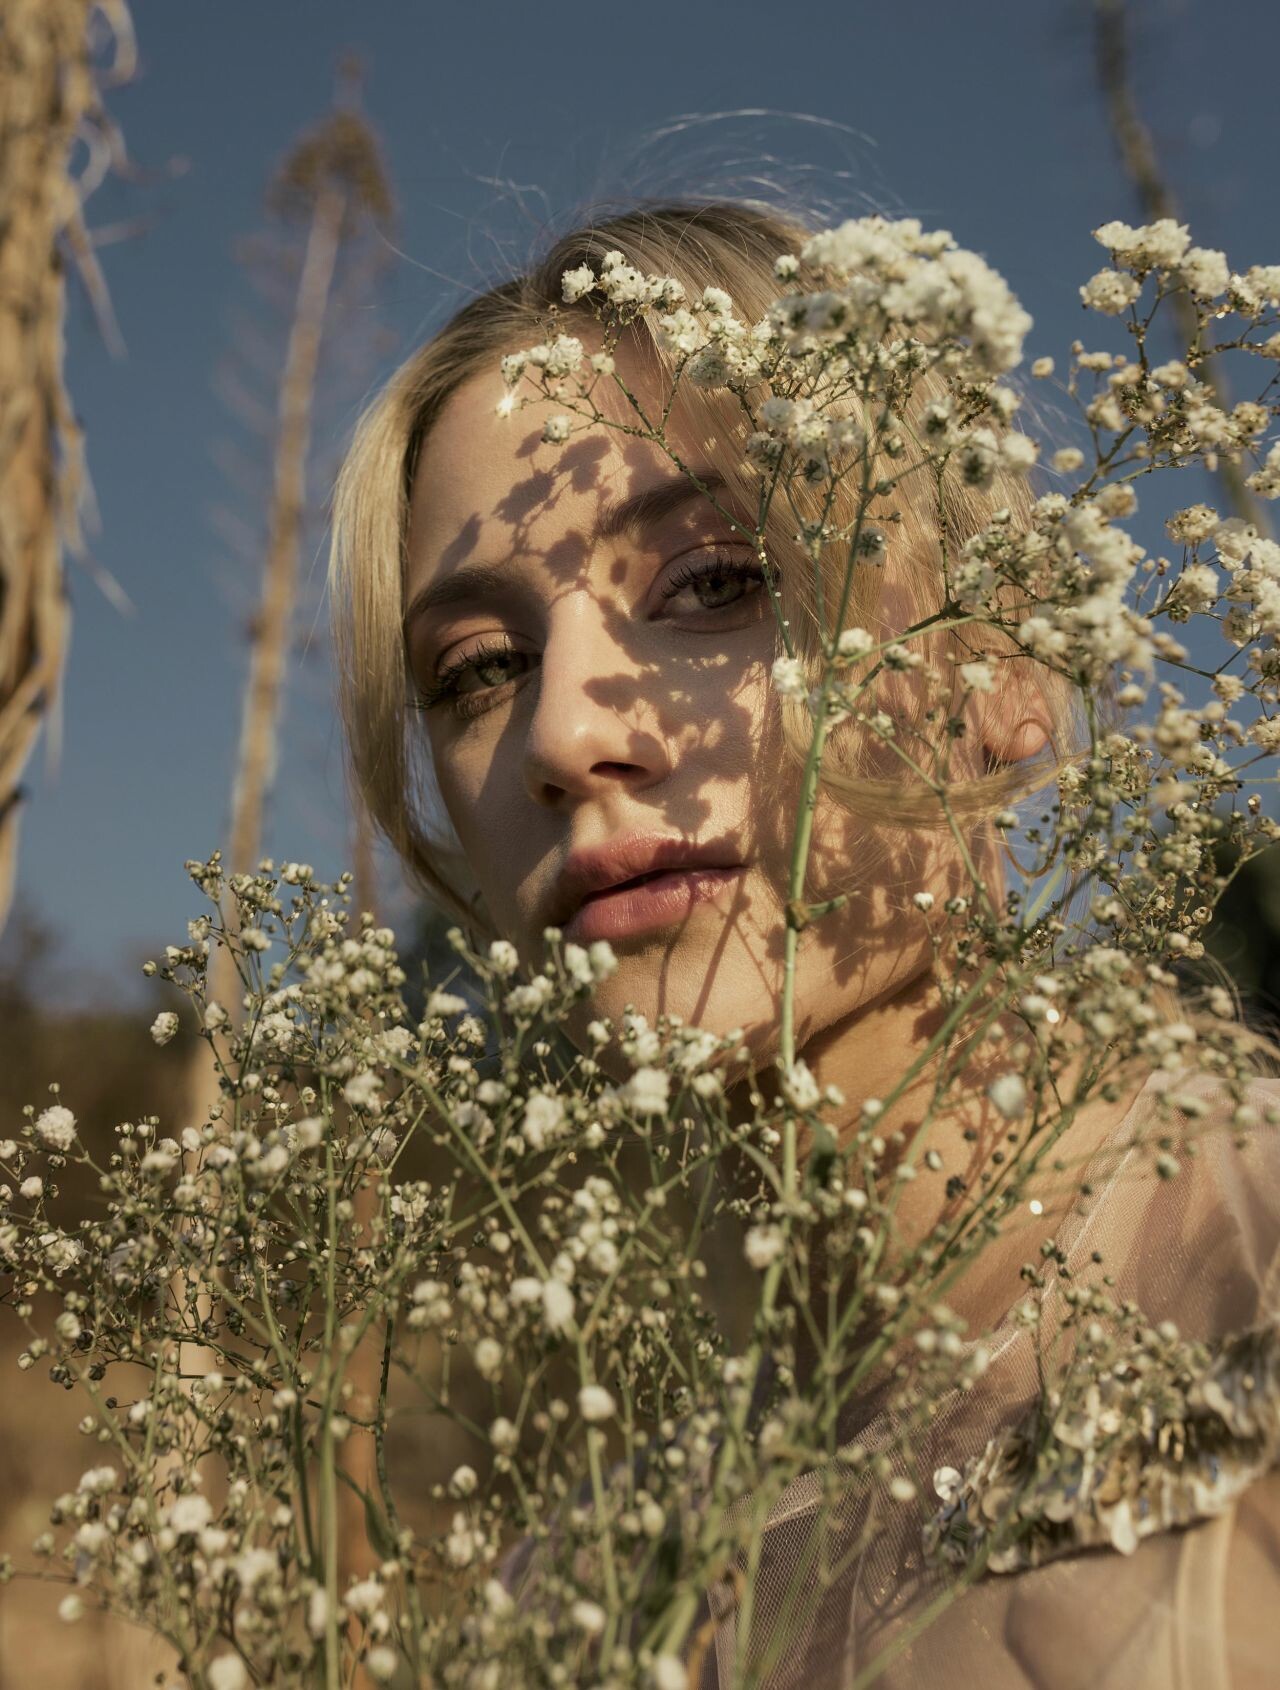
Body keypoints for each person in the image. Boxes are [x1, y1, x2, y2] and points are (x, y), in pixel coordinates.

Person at [328, 199, 1280, 1686]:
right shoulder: (588, 1598)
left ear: (1004, 665)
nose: (563, 734)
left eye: (716, 583)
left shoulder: (1249, 1289)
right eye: (482, 668)